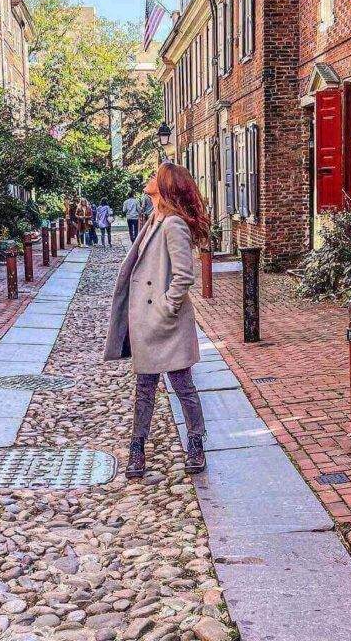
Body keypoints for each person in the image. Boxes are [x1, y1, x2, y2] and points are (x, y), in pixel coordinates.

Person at [104, 162, 210, 478]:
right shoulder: (154, 220)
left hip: (166, 323)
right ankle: (137, 448)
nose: (149, 178)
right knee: (144, 387)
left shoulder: (173, 224)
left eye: (155, 175)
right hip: (147, 323)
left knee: (183, 386)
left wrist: (164, 309)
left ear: (164, 187)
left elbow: (183, 276)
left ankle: (195, 441)